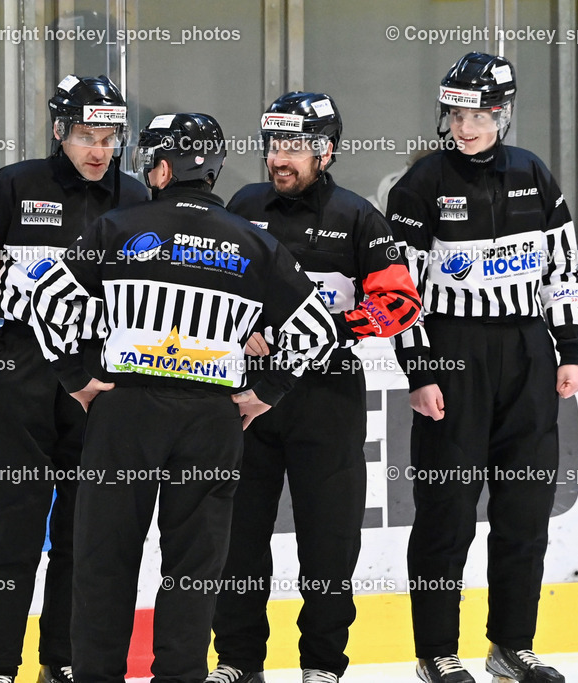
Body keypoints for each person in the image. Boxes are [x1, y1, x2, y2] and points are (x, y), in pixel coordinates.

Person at [28, 112, 337, 683]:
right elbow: (317, 329)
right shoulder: (255, 242)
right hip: (211, 417)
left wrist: (76, 377)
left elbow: (46, 299)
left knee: (104, 559)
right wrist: (263, 393)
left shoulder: (117, 227)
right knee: (195, 566)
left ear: (165, 167)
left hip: (126, 411)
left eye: (150, 160)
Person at [207, 92, 422, 683]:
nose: (282, 157)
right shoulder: (242, 205)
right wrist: (239, 325)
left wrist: (327, 333)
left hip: (327, 402)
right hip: (247, 399)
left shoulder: (357, 216)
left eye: (296, 147)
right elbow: (206, 284)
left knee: (329, 546)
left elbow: (400, 302)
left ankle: (322, 668)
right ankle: (237, 662)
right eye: (275, 145)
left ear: (326, 150)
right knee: (239, 541)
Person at [386, 52, 578, 683]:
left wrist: (570, 349)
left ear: (502, 112)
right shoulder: (420, 183)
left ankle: (510, 645)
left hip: (528, 351)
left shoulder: (533, 173)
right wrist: (420, 371)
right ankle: (436, 652)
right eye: (455, 112)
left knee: (525, 508)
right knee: (446, 508)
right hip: (453, 350)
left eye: (477, 112)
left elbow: (562, 266)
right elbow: (399, 291)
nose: (464, 125)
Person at [0, 74, 147, 683]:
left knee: (81, 538)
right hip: (25, 388)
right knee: (11, 533)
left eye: (109, 136)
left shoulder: (135, 197)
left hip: (101, 389)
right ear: (60, 131)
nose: (98, 149)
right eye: (86, 135)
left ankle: (59, 664)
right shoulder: (14, 185)